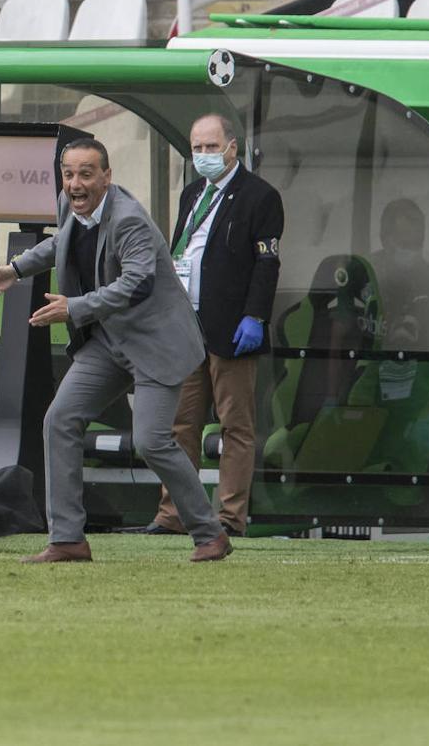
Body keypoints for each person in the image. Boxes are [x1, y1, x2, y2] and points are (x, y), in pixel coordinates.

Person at [0, 138, 233, 563]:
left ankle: (211, 534)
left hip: (156, 344)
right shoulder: (69, 205)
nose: (75, 184)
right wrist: (16, 269)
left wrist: (73, 307)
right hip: (109, 340)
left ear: (107, 176)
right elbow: (61, 242)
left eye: (86, 173)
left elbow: (137, 283)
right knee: (60, 420)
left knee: (151, 442)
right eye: (68, 174)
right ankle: (67, 540)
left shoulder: (129, 220)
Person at [141, 113, 283, 538]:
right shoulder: (191, 194)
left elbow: (267, 263)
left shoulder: (260, 196)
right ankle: (173, 514)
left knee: (235, 426)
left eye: (211, 147)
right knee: (178, 425)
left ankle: (229, 517)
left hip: (232, 329)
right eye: (197, 147)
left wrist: (255, 316)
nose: (203, 154)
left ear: (231, 148)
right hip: (185, 326)